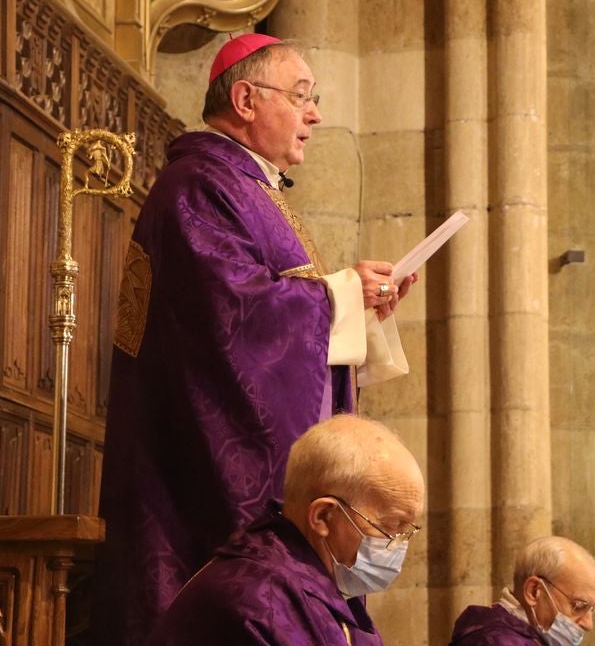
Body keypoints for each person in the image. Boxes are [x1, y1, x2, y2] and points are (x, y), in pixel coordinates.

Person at [95, 34, 416, 644]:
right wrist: (340, 295)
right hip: (196, 495)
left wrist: (360, 308)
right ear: (245, 98)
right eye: (301, 96)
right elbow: (232, 322)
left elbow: (283, 322)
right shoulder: (197, 186)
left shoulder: (247, 190)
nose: (315, 114)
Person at [146, 414, 425, 645]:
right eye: (390, 526)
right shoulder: (256, 602)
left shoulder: (315, 584)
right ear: (323, 516)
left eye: (406, 531)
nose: (397, 545)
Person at [449, 536, 595, 646]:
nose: (589, 625)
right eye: (579, 606)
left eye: (593, 610)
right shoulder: (497, 641)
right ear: (534, 591)